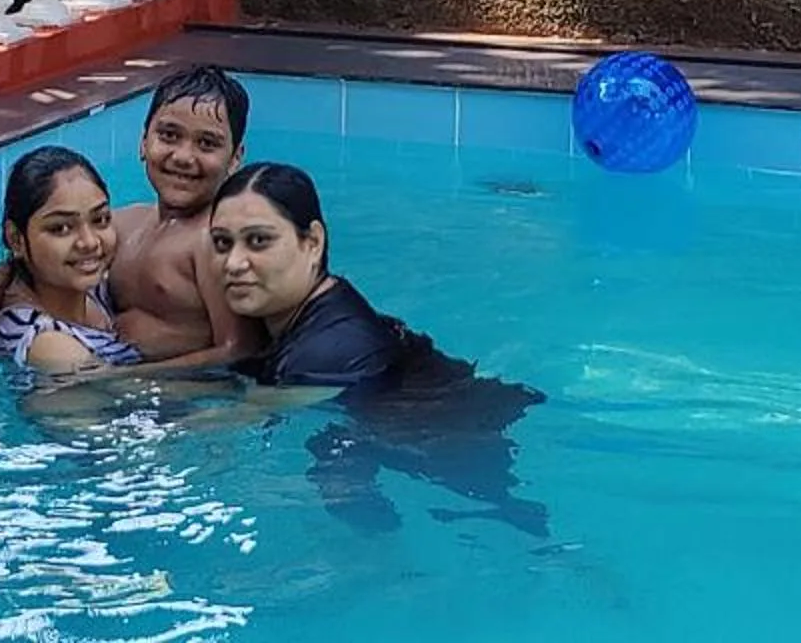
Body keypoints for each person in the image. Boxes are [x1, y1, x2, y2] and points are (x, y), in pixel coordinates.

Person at [207, 162, 547, 534]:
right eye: (222, 243)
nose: (233, 263)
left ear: (313, 242)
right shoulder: (323, 308)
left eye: (258, 241)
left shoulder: (328, 351)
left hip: (450, 454)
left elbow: (231, 419)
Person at [108, 65, 254, 364]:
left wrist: (124, 378)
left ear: (235, 159)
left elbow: (238, 350)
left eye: (207, 144)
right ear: (143, 142)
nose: (184, 157)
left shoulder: (214, 244)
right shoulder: (122, 223)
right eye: (169, 135)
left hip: (181, 389)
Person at [0, 146, 141, 372]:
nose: (89, 242)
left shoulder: (94, 291)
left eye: (100, 219)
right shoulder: (47, 343)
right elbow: (129, 388)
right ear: (16, 240)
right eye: (61, 228)